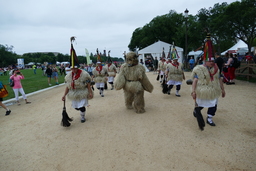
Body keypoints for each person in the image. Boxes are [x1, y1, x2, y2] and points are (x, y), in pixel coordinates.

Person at [191, 55, 225, 128]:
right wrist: (193, 91)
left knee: (213, 104)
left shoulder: (216, 69)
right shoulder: (199, 69)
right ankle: (196, 111)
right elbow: (195, 80)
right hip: (202, 90)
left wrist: (223, 89)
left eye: (213, 61)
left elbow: (219, 79)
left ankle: (209, 118)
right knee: (201, 104)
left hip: (213, 90)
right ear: (205, 61)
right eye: (210, 61)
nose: (211, 62)